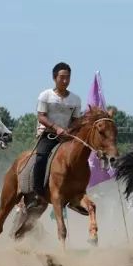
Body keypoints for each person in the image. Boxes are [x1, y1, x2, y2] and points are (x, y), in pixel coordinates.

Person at [30, 62, 83, 198]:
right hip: (48, 135)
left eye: (68, 77)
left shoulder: (76, 99)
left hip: (68, 137)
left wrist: (70, 130)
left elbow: (77, 120)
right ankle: (38, 191)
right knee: (41, 157)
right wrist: (56, 128)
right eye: (62, 77)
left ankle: (78, 191)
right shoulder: (45, 96)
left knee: (81, 158)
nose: (65, 81)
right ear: (54, 78)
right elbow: (41, 117)